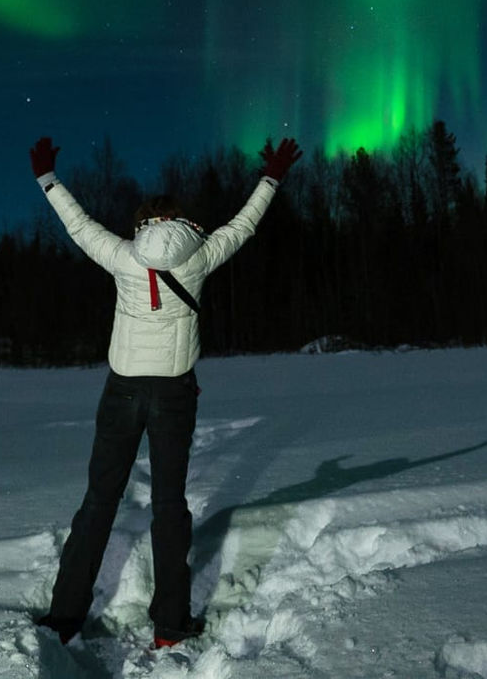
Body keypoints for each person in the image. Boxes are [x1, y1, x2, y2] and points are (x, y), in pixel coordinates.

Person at [29, 133, 302, 649]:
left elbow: (78, 224)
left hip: (122, 393)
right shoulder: (198, 257)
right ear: (182, 221)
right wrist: (271, 177)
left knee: (98, 502)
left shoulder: (122, 255)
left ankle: (64, 619)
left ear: (142, 224)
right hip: (174, 394)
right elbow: (244, 225)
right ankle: (171, 626)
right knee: (168, 505)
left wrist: (47, 177)